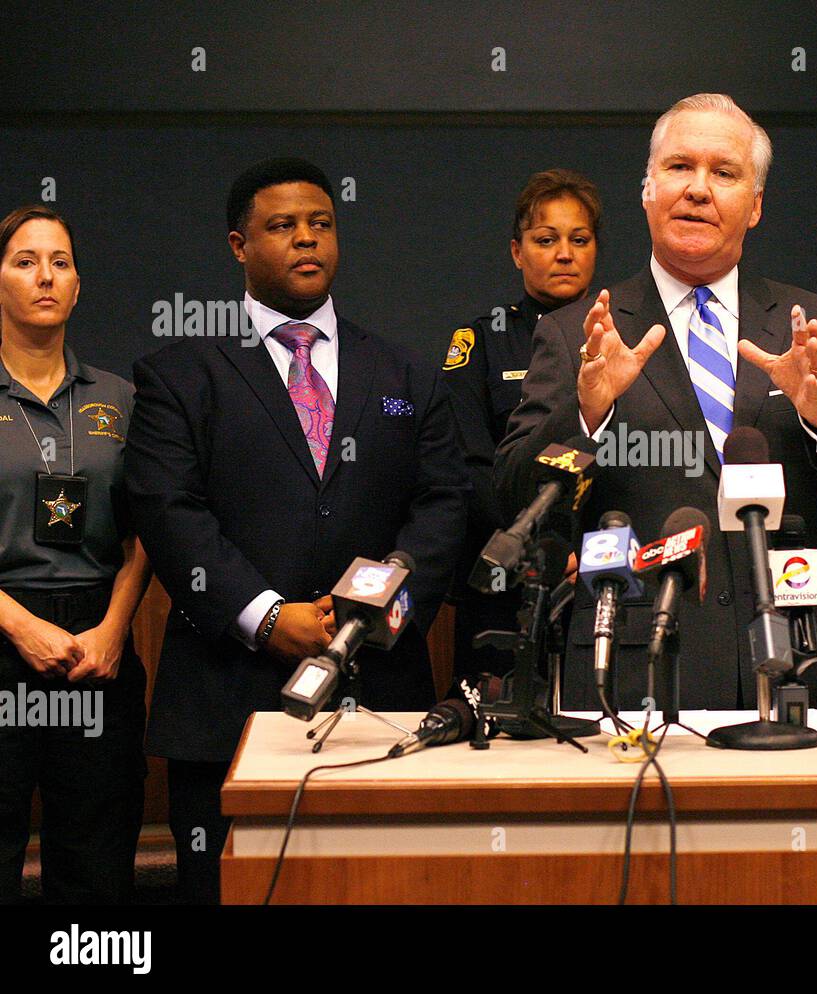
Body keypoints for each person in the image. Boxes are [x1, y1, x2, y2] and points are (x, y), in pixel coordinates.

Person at [496, 93, 817, 711]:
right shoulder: (578, 331)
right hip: (637, 673)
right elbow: (514, 500)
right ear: (646, 189)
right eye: (678, 167)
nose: (698, 189)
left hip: (796, 667)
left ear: (755, 207)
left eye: (723, 173)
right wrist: (586, 416)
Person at [125, 158, 469, 903]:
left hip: (381, 697)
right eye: (281, 226)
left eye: (321, 224)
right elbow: (168, 510)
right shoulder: (178, 374)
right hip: (227, 699)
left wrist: (384, 606)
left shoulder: (407, 374)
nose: (306, 239)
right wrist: (267, 616)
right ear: (239, 245)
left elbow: (443, 504)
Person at [0, 206, 151, 903]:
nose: (45, 276)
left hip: (98, 643)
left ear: (79, 285)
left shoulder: (122, 399)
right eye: (25, 261)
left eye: (59, 262)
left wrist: (117, 628)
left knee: (96, 859)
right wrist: (19, 626)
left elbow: (145, 531)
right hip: (4, 633)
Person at [443, 169, 600, 687]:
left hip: (603, 575)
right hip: (506, 577)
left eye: (579, 240)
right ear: (517, 251)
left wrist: (590, 550)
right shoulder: (480, 340)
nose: (564, 253)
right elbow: (470, 466)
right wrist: (544, 548)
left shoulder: (626, 336)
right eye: (545, 240)